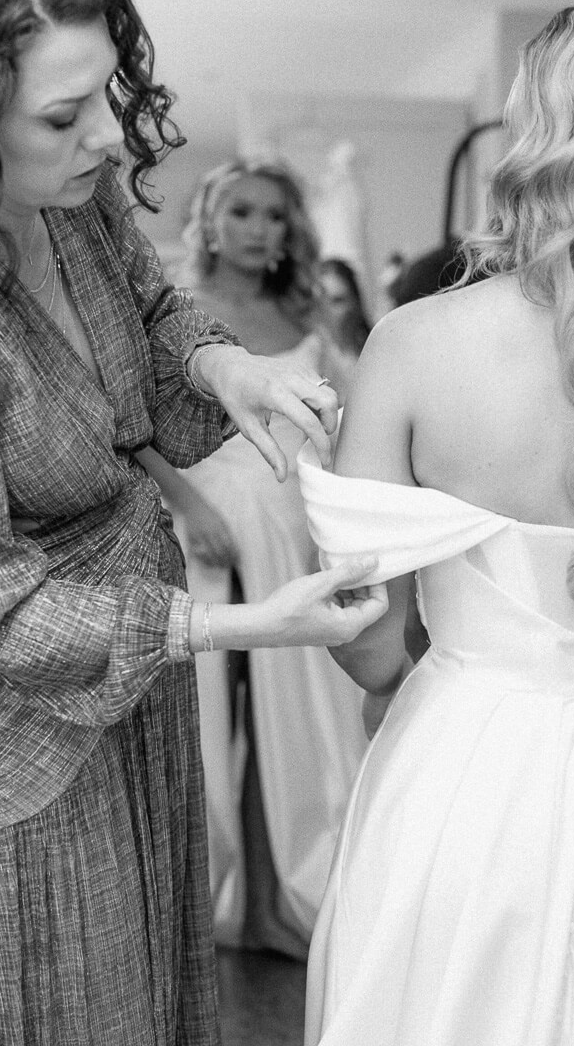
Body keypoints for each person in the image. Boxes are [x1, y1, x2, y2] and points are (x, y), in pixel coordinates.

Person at [0, 0, 387, 1045]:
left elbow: (157, 310)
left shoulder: (72, 202)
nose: (99, 145)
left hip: (132, 697)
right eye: (62, 117)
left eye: (104, 99)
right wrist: (240, 626)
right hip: (18, 749)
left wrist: (229, 367)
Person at [298, 3, 574, 1045]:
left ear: (535, 134)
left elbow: (362, 637)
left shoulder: (413, 342)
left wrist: (417, 692)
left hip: (460, 777)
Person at [140, 160, 370, 959]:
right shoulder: (175, 309)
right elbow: (129, 425)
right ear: (211, 216)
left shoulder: (306, 312)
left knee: (290, 721)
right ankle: (198, 911)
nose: (259, 228)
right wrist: (190, 503)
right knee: (206, 722)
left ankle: (277, 903)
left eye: (275, 215)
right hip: (202, 524)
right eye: (241, 210)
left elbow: (347, 418)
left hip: (290, 526)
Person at [317, 256, 371, 359]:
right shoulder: (311, 361)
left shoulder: (375, 352)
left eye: (337, 301)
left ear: (355, 303)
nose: (326, 310)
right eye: (320, 302)